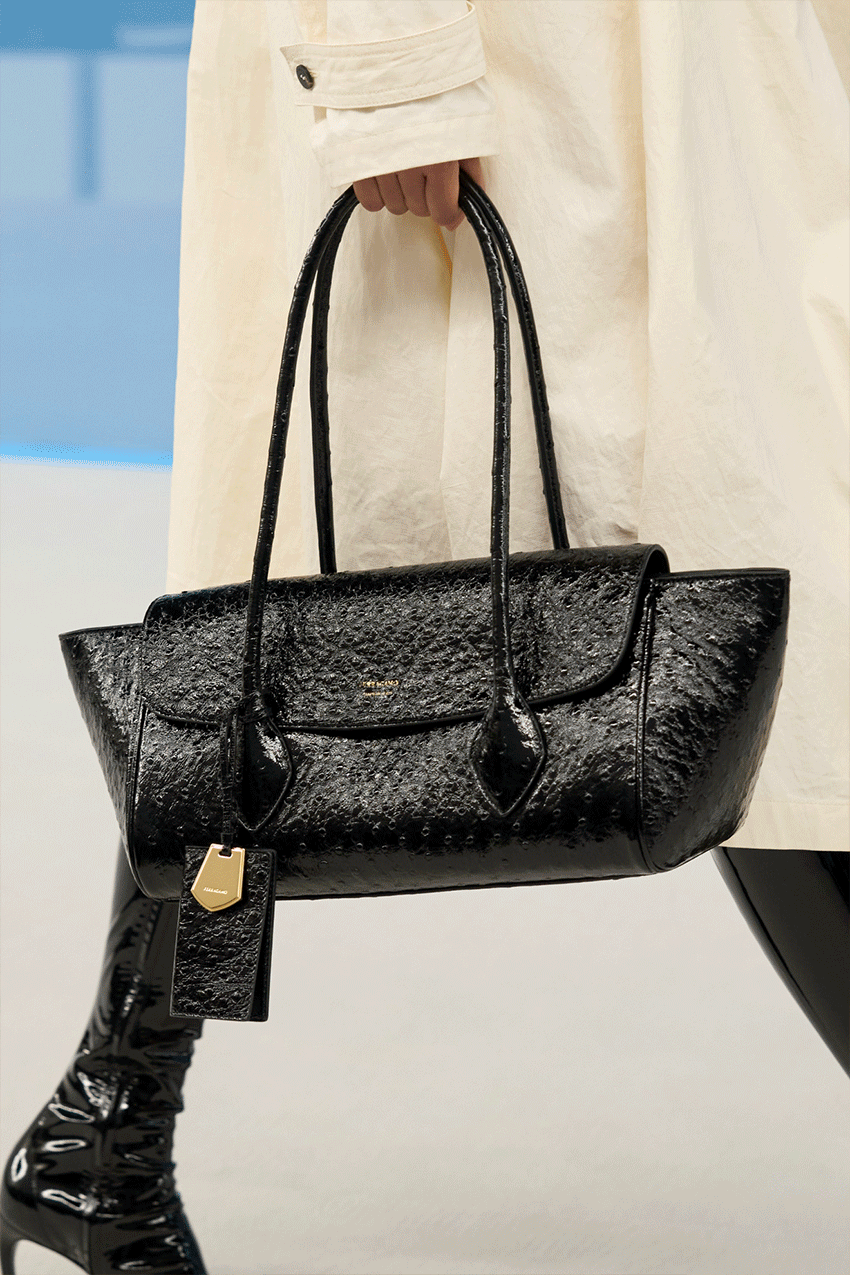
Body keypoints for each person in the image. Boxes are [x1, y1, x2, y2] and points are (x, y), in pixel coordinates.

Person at [2, 2, 847, 1272]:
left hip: (703, 69)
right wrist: (394, 73)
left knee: (764, 593)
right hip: (522, 73)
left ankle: (106, 1122)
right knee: (279, 660)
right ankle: (105, 1128)